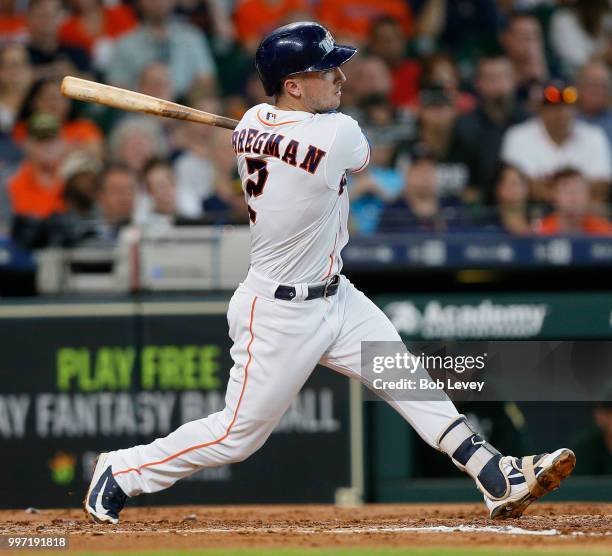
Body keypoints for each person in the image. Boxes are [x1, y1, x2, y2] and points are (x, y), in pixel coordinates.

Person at [84, 22, 575, 525]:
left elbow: (274, 128)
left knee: (405, 377)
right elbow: (355, 157)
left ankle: (495, 473)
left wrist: (276, 130)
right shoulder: (338, 132)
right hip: (277, 311)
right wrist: (291, 135)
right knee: (236, 436)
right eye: (326, 69)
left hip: (336, 295)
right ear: (293, 85)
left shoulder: (253, 122)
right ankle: (123, 470)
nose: (340, 76)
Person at [501, 80, 611, 204]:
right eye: (552, 107)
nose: (560, 112)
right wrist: (573, 195)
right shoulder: (518, 135)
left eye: (566, 106)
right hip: (534, 213)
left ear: (575, 109)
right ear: (540, 109)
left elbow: (601, 186)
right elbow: (520, 185)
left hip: (584, 215)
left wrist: (548, 189)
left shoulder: (594, 135)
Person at [452, 55, 529, 203]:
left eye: (502, 77)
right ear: (478, 83)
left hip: (524, 201)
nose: (498, 84)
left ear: (515, 80)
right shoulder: (465, 125)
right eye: (490, 78)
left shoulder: (529, 122)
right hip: (482, 207)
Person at [106, 0, 217, 99]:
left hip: (184, 113)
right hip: (139, 113)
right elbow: (116, 88)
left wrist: (180, 104)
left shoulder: (192, 36)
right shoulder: (125, 43)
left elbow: (207, 81)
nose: (158, 2)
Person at [535, 167, 612, 236]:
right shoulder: (539, 232)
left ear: (589, 195)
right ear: (554, 197)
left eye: (579, 190)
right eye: (567, 192)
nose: (574, 198)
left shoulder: (606, 232)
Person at [576, 60, 612, 147]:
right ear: (579, 86)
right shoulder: (566, 117)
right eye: (594, 85)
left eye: (604, 87)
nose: (599, 91)